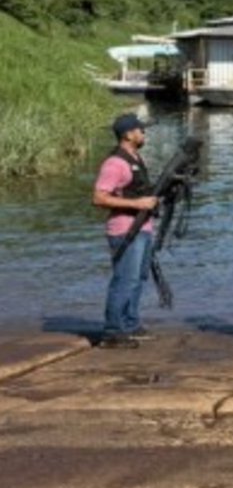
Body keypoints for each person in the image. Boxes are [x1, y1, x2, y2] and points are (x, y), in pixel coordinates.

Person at [91, 113, 160, 348]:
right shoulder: (115, 163)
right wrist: (137, 204)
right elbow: (99, 198)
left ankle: (130, 324)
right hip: (124, 229)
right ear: (128, 134)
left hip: (143, 228)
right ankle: (112, 331)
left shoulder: (137, 158)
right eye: (141, 130)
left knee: (138, 278)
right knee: (125, 280)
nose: (144, 133)